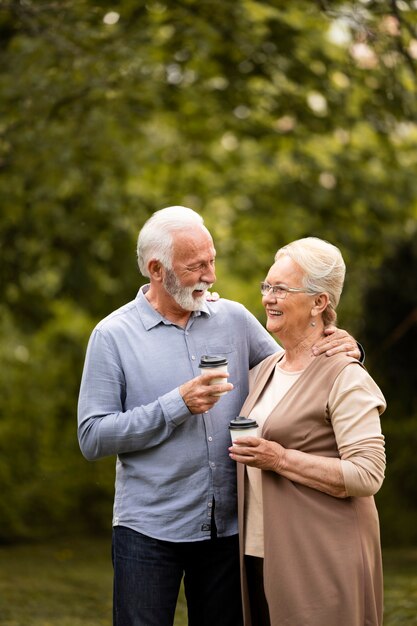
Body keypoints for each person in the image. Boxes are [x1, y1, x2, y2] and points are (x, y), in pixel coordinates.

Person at [77, 208, 360, 626]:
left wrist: (347, 351)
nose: (211, 275)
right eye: (197, 267)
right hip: (148, 532)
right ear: (157, 269)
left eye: (212, 260)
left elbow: (296, 370)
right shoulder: (113, 336)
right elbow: (92, 437)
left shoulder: (234, 319)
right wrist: (176, 405)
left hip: (229, 529)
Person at [229, 236, 386, 626]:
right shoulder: (264, 369)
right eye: (267, 286)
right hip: (260, 554)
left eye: (281, 289)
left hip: (322, 555)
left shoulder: (346, 376)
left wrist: (279, 459)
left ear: (319, 302)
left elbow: (367, 474)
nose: (268, 297)